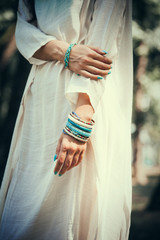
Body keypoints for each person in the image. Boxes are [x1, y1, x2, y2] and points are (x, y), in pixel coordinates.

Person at [0, 0, 133, 239]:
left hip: (86, 95)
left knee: (70, 213)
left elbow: (103, 39)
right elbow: (23, 28)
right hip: (40, 97)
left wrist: (81, 119)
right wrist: (65, 52)